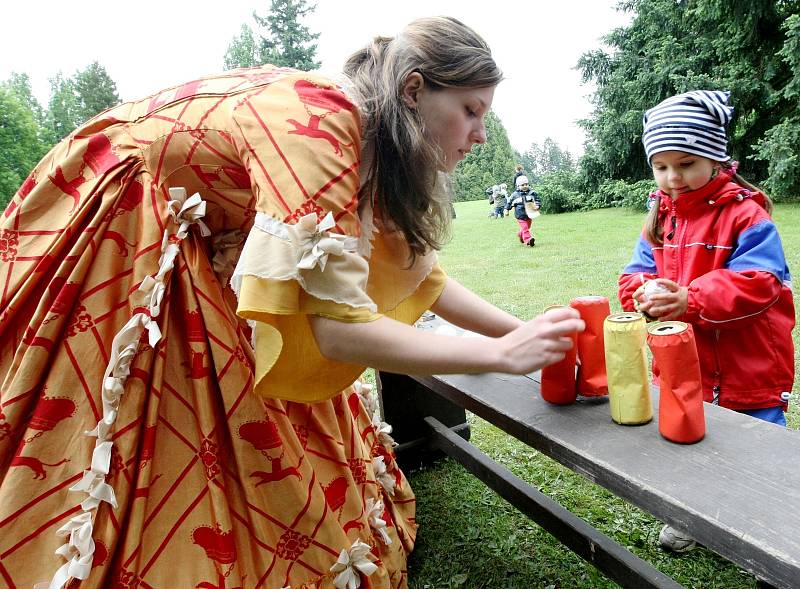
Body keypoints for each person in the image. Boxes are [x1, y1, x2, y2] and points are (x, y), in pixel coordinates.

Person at [0, 16, 584, 589]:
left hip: (204, 230)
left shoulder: (368, 137)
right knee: (146, 404)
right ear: (413, 91)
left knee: (242, 397)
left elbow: (419, 277)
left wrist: (526, 330)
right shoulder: (321, 127)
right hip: (128, 217)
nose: (480, 133)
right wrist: (500, 355)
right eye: (471, 110)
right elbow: (338, 331)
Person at [618, 90, 795, 553]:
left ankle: (768, 538)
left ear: (716, 158)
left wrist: (689, 299)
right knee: (688, 440)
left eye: (686, 163)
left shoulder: (746, 216)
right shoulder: (659, 217)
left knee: (758, 453)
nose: (672, 178)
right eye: (660, 166)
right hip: (685, 365)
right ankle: (694, 518)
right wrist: (640, 293)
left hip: (748, 368)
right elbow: (635, 272)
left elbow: (760, 284)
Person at [506, 175, 541, 246]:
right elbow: (509, 202)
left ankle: (520, 234)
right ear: (518, 186)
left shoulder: (532, 193)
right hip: (520, 215)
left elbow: (537, 200)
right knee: (525, 227)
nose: (525, 186)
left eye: (526, 184)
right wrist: (506, 210)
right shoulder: (515, 195)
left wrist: (537, 205)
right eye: (522, 185)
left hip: (530, 214)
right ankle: (528, 240)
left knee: (527, 227)